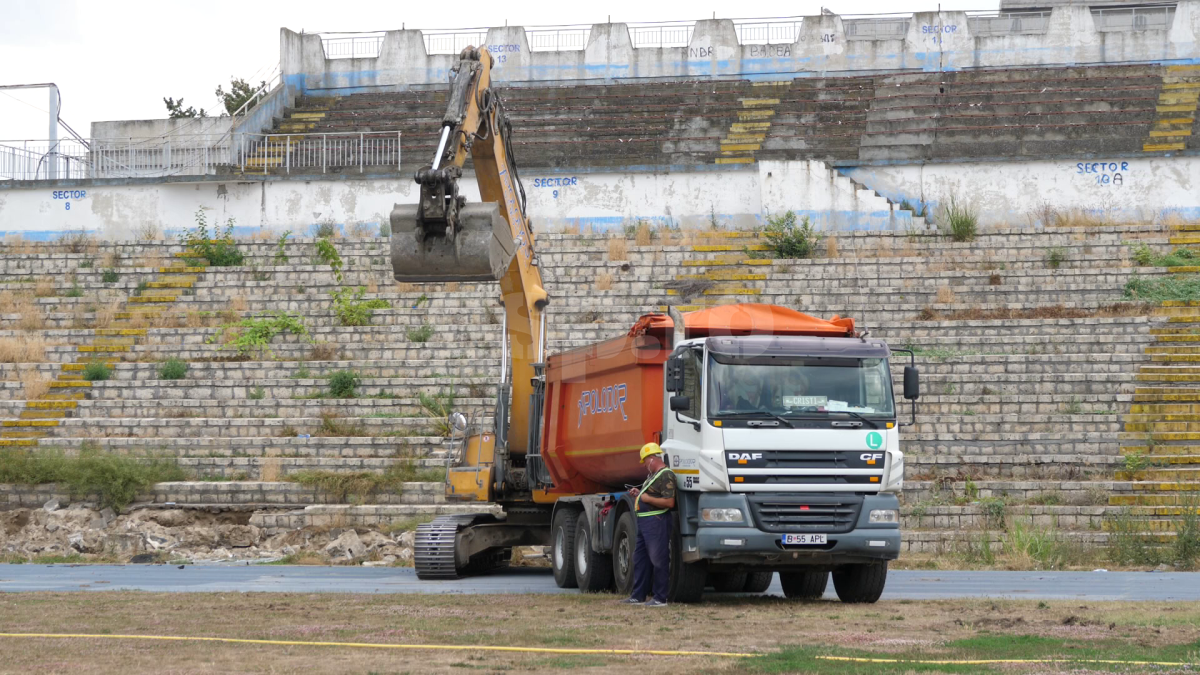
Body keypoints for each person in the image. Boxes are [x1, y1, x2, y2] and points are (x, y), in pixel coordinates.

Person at [621, 442, 676, 607]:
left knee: (658, 559)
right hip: (644, 522)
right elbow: (650, 495)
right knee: (640, 559)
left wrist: (646, 499)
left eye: (645, 461)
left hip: (656, 522)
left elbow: (669, 502)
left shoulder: (666, 475)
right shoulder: (652, 476)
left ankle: (660, 598)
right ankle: (638, 596)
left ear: (652, 459)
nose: (645, 466)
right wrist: (639, 494)